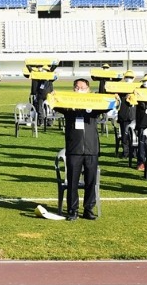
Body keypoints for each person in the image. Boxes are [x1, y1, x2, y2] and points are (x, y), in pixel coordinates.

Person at [55, 79, 108, 220]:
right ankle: (73, 210)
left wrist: (115, 99)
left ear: (88, 89)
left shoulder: (93, 105)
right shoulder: (68, 105)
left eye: (83, 88)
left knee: (91, 181)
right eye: (77, 87)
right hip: (74, 149)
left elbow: (107, 106)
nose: (79, 90)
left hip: (91, 149)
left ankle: (88, 209)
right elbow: (56, 105)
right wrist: (53, 96)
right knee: (72, 181)